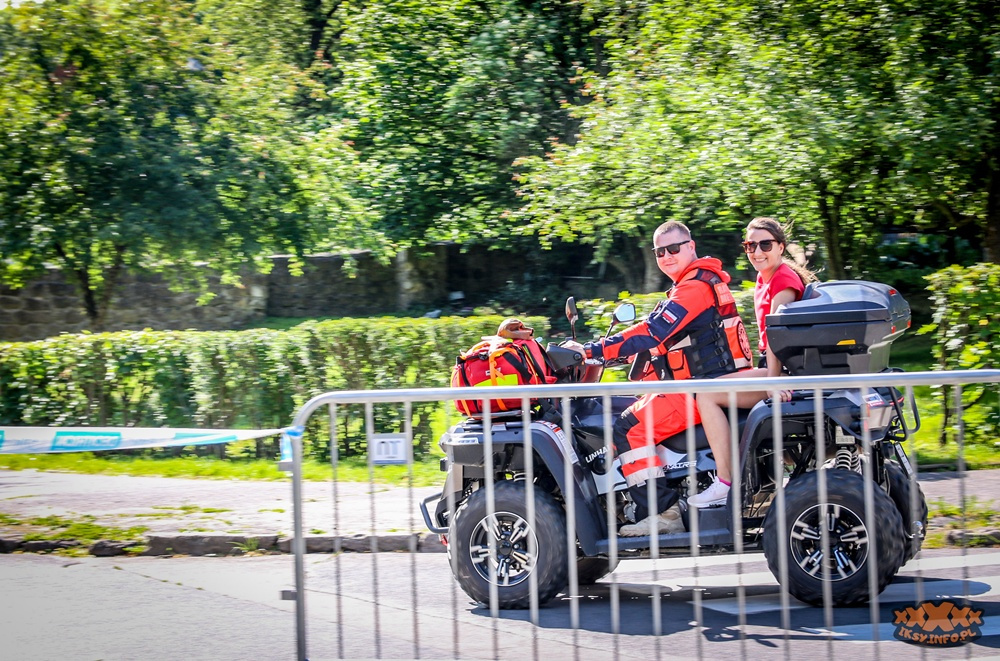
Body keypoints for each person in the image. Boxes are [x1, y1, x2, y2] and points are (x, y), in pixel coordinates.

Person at [565, 221, 753, 536]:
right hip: (705, 382)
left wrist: (589, 350)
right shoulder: (696, 283)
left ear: (691, 247)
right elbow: (667, 341)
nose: (666, 256)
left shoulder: (694, 287)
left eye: (673, 248)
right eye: (659, 252)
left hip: (699, 387)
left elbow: (652, 331)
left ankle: (663, 513)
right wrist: (611, 354)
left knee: (629, 426)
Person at [688, 217, 817, 508]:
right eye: (750, 245)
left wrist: (772, 382)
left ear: (781, 246)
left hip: (782, 371)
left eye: (765, 245)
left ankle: (725, 482)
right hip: (776, 366)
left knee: (706, 394)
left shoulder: (782, 280)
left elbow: (776, 337)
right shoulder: (766, 277)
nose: (757, 251)